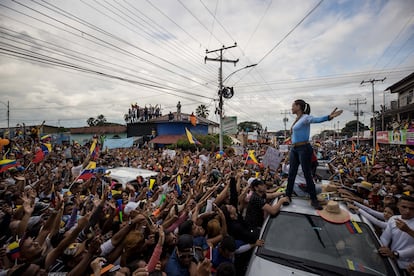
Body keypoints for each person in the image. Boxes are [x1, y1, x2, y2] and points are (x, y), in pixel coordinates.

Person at [284, 99, 342, 210]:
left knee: (307, 174)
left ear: (299, 107)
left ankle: (314, 200)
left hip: (303, 148)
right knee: (291, 173)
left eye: (293, 106)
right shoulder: (297, 119)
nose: (291, 108)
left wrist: (329, 117)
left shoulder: (305, 117)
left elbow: (316, 120)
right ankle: (288, 195)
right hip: (295, 149)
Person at [379, 195, 414, 274]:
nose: (408, 211)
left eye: (412, 208)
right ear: (398, 205)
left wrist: (396, 254)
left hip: (408, 268)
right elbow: (385, 238)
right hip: (390, 261)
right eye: (404, 207)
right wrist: (382, 249)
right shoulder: (393, 219)